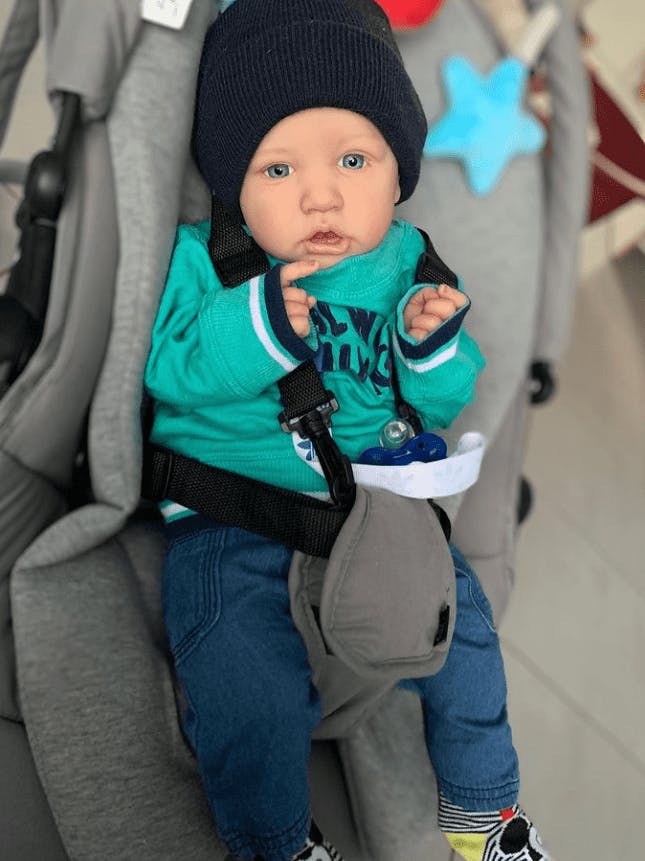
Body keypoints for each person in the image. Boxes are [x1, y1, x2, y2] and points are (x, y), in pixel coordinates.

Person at [144, 2, 553, 859]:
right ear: (232, 185)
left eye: (353, 160)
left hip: (370, 510)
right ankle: (275, 840)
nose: (320, 194)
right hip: (231, 515)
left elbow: (437, 404)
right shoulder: (205, 261)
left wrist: (431, 349)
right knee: (240, 681)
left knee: (466, 631)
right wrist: (252, 328)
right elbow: (167, 371)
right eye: (277, 168)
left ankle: (484, 811)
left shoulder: (405, 264)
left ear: (396, 176)